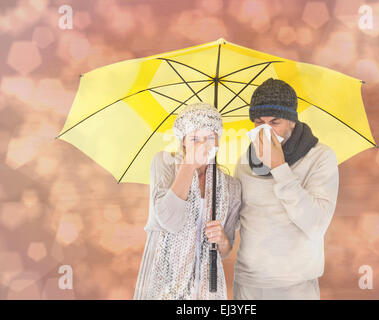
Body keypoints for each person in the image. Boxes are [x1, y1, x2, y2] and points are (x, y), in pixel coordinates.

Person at [232, 78, 339, 300]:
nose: (265, 130)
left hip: (295, 286)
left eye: (274, 122)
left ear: (292, 121)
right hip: (248, 284)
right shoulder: (244, 161)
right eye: (259, 122)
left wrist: (280, 168)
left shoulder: (320, 157)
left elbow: (316, 224)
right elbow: (235, 221)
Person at [133, 102, 242, 300]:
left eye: (209, 137)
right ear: (183, 141)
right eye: (194, 138)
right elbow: (169, 220)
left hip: (207, 288)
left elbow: (226, 250)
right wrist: (189, 164)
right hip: (166, 283)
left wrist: (221, 239)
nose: (203, 145)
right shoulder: (164, 164)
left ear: (218, 141)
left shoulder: (230, 187)